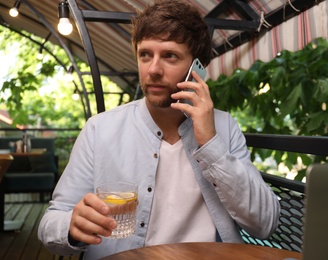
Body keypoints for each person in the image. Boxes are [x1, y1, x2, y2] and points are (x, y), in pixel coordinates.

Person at [38, 0, 280, 259]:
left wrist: (210, 143)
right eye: (145, 55)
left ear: (196, 68)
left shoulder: (224, 127)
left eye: (170, 56)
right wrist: (72, 227)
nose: (153, 70)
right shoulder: (100, 129)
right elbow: (51, 224)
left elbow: (265, 223)